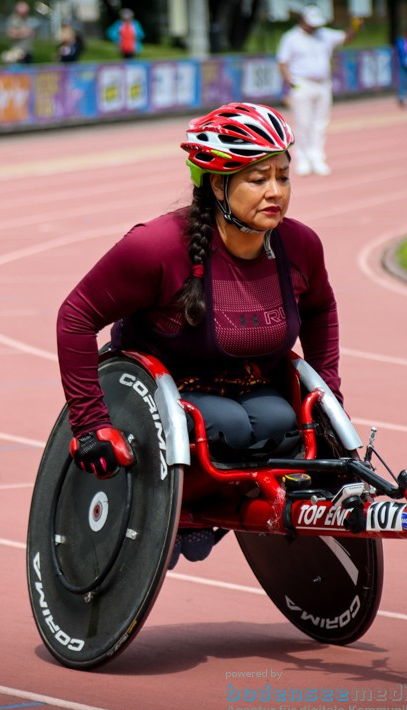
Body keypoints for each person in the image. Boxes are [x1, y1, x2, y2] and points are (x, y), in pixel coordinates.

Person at [57, 103, 342, 549]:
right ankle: (177, 522)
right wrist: (90, 424)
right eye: (257, 178)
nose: (276, 192)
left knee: (279, 419)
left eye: (283, 176)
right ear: (217, 184)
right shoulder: (156, 248)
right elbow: (75, 318)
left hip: (252, 389)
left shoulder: (300, 245)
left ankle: (214, 511)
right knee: (227, 422)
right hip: (165, 397)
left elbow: (322, 308)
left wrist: (328, 392)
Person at [276, 5, 359, 176]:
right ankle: (303, 159)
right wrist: (290, 82)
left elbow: (346, 39)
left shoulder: (324, 35)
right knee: (303, 122)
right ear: (303, 20)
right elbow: (282, 62)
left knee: (320, 123)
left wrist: (355, 27)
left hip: (323, 84)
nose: (314, 27)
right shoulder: (291, 38)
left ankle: (317, 157)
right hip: (302, 83)